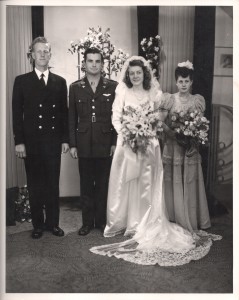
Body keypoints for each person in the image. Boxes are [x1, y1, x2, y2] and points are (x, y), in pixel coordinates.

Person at [90, 56, 221, 266]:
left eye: (138, 73)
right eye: (132, 73)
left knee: (147, 184)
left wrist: (146, 132)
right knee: (126, 184)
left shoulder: (155, 93)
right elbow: (116, 116)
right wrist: (126, 133)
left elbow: (157, 119)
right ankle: (126, 223)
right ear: (128, 74)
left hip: (149, 142)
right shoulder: (122, 91)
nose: (135, 76)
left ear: (145, 74)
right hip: (127, 142)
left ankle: (144, 222)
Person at [12, 37, 69, 239]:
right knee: (35, 184)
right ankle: (38, 225)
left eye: (46, 51)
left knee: (53, 184)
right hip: (32, 142)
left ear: (50, 54)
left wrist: (65, 139)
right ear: (32, 55)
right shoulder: (22, 81)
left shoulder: (60, 82)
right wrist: (19, 141)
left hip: (53, 141)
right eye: (39, 51)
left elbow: (64, 113)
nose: (43, 55)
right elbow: (17, 114)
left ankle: (53, 223)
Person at [69, 47, 118, 236]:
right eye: (90, 61)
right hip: (83, 144)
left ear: (102, 64)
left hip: (105, 143)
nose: (94, 64)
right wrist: (73, 144)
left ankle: (101, 222)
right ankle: (87, 223)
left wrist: (114, 142)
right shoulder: (75, 87)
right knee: (86, 185)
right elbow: (71, 117)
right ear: (84, 64)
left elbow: (116, 117)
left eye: (98, 61)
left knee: (104, 184)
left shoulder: (112, 87)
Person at [162, 61, 211, 232]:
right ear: (176, 82)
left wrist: (192, 137)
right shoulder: (169, 99)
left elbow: (199, 124)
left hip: (189, 147)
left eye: (187, 81)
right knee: (173, 180)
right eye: (180, 81)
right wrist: (174, 134)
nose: (183, 84)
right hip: (173, 146)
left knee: (189, 180)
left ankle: (189, 218)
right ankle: (174, 217)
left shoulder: (197, 100)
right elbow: (160, 123)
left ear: (191, 82)